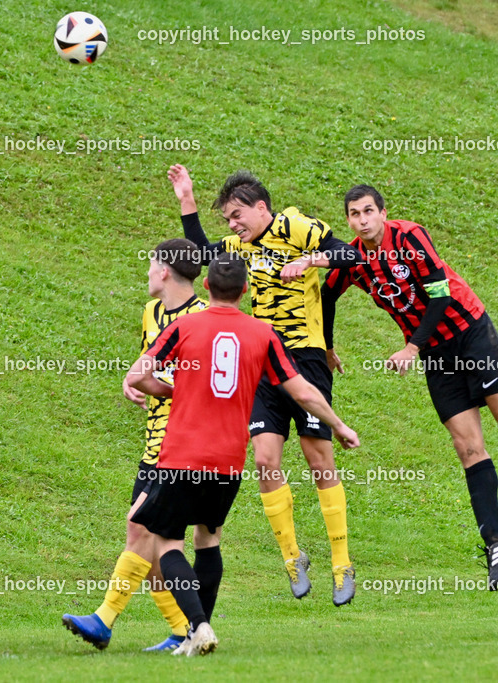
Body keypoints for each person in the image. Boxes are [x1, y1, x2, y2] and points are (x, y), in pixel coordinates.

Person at [71, 254, 361, 656]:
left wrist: (173, 390)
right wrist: (340, 426)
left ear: (206, 288)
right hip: (228, 461)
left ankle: (198, 626)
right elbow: (302, 390)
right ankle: (194, 634)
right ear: (245, 291)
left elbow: (140, 374)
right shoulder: (263, 335)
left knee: (165, 542)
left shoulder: (183, 326)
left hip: (181, 456)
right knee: (208, 540)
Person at [322, 185, 498, 588]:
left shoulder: (409, 235)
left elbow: (440, 293)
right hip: (435, 352)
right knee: (466, 447)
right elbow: (326, 297)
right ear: (347, 221)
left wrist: (412, 346)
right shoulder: (353, 260)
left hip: (469, 333)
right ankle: (496, 541)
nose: (362, 220)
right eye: (354, 214)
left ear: (383, 212)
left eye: (368, 211)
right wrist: (326, 346)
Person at [167, 165, 363, 605]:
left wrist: (310, 260)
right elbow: (201, 256)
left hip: (306, 359)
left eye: (237, 216)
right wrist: (186, 200)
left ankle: (341, 563)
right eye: (228, 221)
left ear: (261, 208)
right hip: (262, 361)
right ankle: (293, 558)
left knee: (319, 458)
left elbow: (352, 255)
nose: (233, 226)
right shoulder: (239, 247)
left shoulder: (295, 226)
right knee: (264, 460)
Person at [61, 238, 207, 652]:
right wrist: (134, 382)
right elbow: (149, 363)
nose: (146, 273)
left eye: (150, 265)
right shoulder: (151, 312)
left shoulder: (202, 319)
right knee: (153, 540)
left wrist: (158, 386)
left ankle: (104, 620)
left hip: (183, 443)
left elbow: (204, 389)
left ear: (163, 271)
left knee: (139, 525)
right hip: (154, 440)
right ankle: (184, 629)